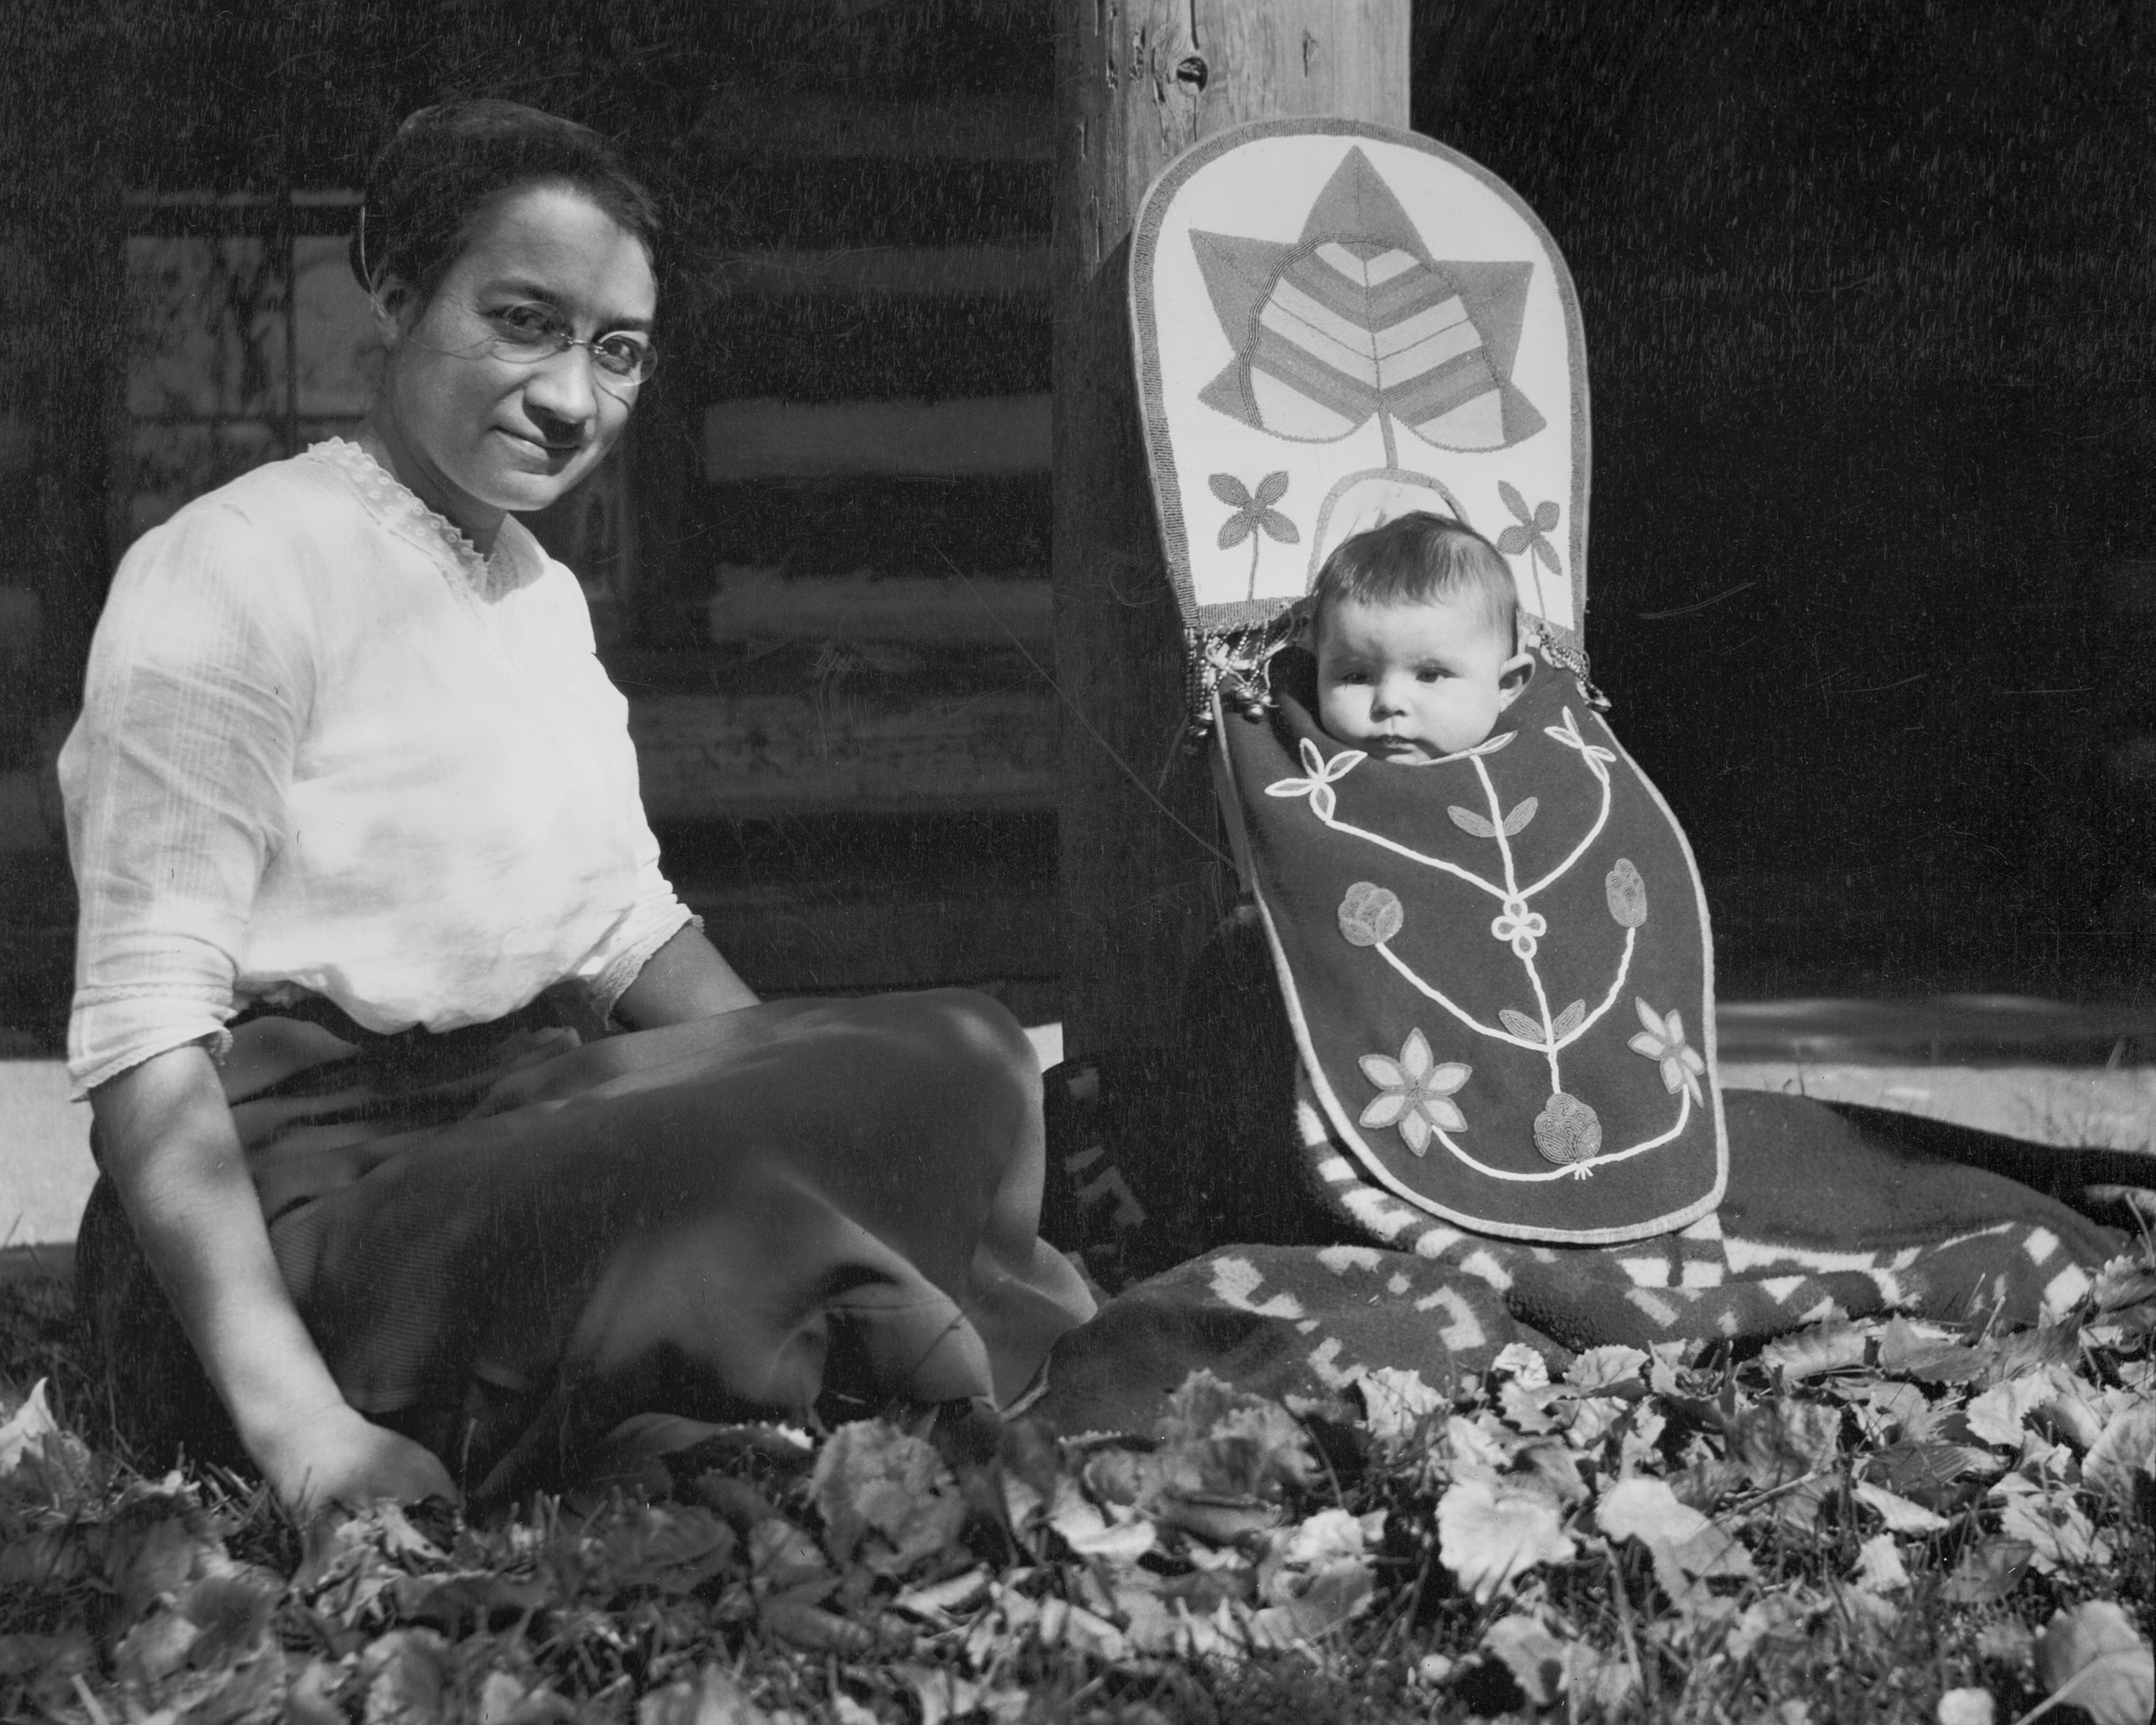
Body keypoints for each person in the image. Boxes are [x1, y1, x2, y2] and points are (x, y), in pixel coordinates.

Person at [60, 99, 1093, 1517]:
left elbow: (621, 931)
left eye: (617, 352)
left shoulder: (536, 599)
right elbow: (142, 1038)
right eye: (523, 320)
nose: (573, 398)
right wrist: (300, 1425)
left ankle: (848, 1347)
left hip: (522, 1122)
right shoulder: (232, 567)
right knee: (700, 1168)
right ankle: (899, 1374)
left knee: (963, 1045)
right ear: (396, 288)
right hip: (308, 1220)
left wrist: (812, 1086)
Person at [1309, 511, 1536, 763]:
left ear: (1505, 685)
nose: (1390, 703)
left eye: (1430, 675)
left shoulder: (1543, 767)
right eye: (1356, 677)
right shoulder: (1286, 756)